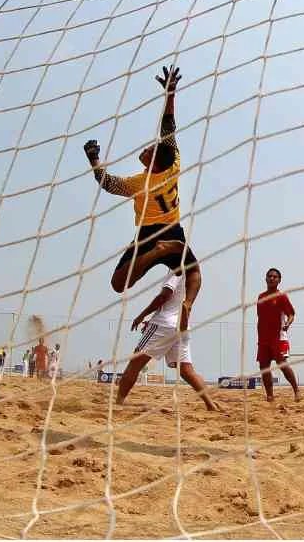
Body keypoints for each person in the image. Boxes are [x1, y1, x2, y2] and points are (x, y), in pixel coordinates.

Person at [85, 65, 203, 332]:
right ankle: (187, 304)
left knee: (119, 284)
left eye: (148, 150)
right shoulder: (173, 164)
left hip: (149, 234)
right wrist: (170, 94)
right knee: (194, 272)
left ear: (153, 162)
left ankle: (156, 253)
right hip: (174, 232)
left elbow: (107, 183)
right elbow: (168, 127)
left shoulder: (141, 184)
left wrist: (94, 160)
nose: (146, 149)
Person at [115, 266, 219, 411]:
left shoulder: (177, 269)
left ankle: (119, 401)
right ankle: (210, 404)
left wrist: (142, 315)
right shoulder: (195, 274)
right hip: (182, 325)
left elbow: (164, 296)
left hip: (164, 324)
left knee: (135, 362)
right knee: (187, 370)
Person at [254, 267, 300, 402]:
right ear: (265, 278)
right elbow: (260, 316)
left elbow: (291, 314)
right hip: (263, 338)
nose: (272, 278)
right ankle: (270, 396)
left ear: (279, 280)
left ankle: (296, 390)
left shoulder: (281, 297)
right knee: (264, 367)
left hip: (278, 337)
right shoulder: (261, 297)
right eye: (269, 276)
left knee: (282, 364)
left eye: (275, 277)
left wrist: (288, 324)